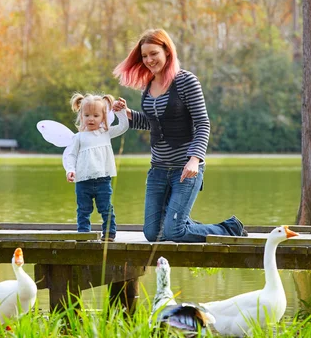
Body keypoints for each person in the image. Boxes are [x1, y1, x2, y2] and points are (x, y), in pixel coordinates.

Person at [112, 28, 246, 242]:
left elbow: (203, 122)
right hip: (158, 170)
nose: (148, 60)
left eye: (153, 53)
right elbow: (153, 123)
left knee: (174, 232)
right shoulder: (148, 85)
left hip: (185, 169)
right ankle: (183, 224)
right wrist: (127, 114)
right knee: (152, 234)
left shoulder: (186, 81)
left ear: (167, 51)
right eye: (144, 56)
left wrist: (195, 159)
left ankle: (229, 229)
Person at [63, 92, 129, 242]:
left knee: (106, 208)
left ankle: (109, 234)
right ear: (81, 116)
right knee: (83, 210)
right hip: (83, 181)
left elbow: (124, 126)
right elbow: (71, 156)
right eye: (87, 115)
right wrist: (70, 170)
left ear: (103, 117)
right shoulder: (78, 137)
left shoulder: (106, 133)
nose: (91, 119)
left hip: (103, 180)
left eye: (96, 115)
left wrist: (121, 112)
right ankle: (84, 234)